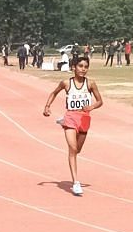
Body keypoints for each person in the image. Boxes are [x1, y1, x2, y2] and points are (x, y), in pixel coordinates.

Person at [42, 51, 103, 195]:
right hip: (70, 117)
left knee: (77, 151)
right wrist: (47, 106)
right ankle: (76, 182)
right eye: (80, 66)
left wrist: (91, 107)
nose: (83, 69)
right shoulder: (66, 83)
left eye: (86, 66)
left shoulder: (91, 83)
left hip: (84, 118)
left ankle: (63, 124)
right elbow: (54, 93)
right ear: (74, 67)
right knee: (72, 148)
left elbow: (100, 101)